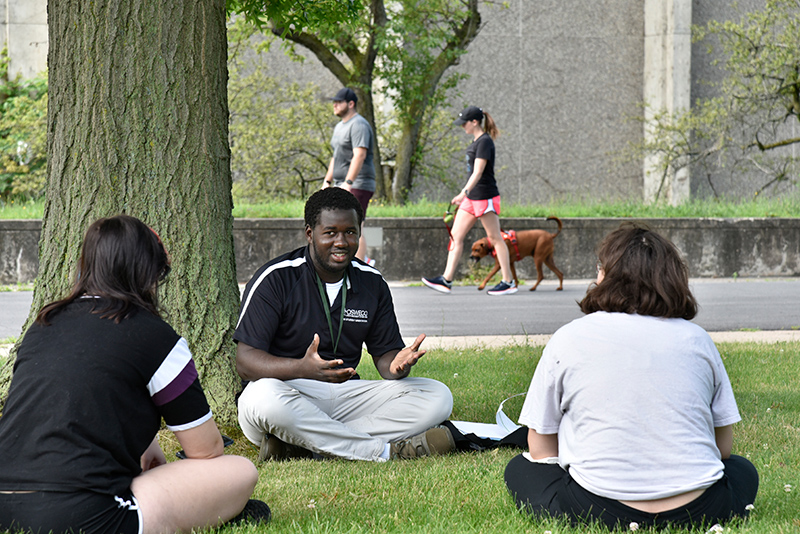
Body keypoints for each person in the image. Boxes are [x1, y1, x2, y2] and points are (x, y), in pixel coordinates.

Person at [0, 215, 269, 534]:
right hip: (81, 516)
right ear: (149, 273)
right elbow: (206, 450)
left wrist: (146, 442)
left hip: (5, 506)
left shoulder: (43, 325)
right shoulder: (155, 336)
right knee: (239, 470)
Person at [504, 223, 759, 529]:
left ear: (604, 276)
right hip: (702, 507)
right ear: (673, 278)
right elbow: (723, 450)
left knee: (520, 468)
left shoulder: (569, 337)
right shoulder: (698, 339)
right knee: (742, 469)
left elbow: (541, 448)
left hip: (600, 507)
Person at [235, 187, 455, 462]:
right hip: (288, 390)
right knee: (263, 398)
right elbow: (245, 362)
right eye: (330, 232)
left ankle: (302, 445)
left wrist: (398, 365)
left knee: (437, 395)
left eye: (350, 232)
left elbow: (385, 359)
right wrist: (302, 368)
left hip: (345, 395)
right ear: (309, 233)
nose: (341, 241)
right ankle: (383, 452)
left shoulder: (372, 282)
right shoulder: (276, 278)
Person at [422, 106, 517, 295]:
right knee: (455, 236)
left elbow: (478, 171)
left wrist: (463, 192)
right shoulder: (475, 142)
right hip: (472, 198)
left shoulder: (484, 142)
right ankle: (446, 280)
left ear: (474, 122)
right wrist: (466, 195)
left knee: (495, 238)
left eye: (465, 123)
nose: (462, 126)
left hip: (485, 196)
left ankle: (508, 281)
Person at [322, 87, 376, 265]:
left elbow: (359, 154)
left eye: (339, 102)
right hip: (341, 183)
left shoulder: (359, 125)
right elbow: (335, 157)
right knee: (344, 226)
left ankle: (360, 267)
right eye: (334, 102)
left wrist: (348, 182)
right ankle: (360, 262)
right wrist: (327, 181)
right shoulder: (339, 127)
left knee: (353, 226)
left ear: (351, 104)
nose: (335, 105)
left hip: (358, 184)